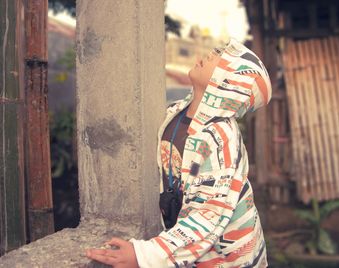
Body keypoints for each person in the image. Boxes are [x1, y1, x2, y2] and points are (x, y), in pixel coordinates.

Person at [86, 37, 272, 268]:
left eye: (221, 58)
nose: (211, 54)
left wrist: (145, 256)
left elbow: (208, 213)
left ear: (230, 84)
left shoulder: (220, 136)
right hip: (190, 246)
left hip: (228, 257)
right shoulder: (177, 112)